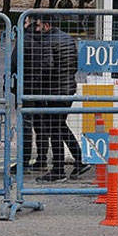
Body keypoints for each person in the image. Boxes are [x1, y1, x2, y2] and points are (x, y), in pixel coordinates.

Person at [31, 17, 91, 182]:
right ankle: (80, 160)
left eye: (38, 26)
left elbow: (47, 67)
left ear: (47, 25)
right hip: (68, 88)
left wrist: (37, 83)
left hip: (54, 91)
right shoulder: (68, 39)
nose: (36, 29)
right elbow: (75, 64)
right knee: (60, 126)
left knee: (54, 128)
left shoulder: (47, 41)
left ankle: (58, 170)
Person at [11, 18, 50, 176]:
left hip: (26, 87)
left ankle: (24, 162)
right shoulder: (46, 39)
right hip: (42, 87)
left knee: (25, 126)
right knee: (41, 125)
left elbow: (14, 62)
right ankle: (42, 159)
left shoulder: (24, 39)